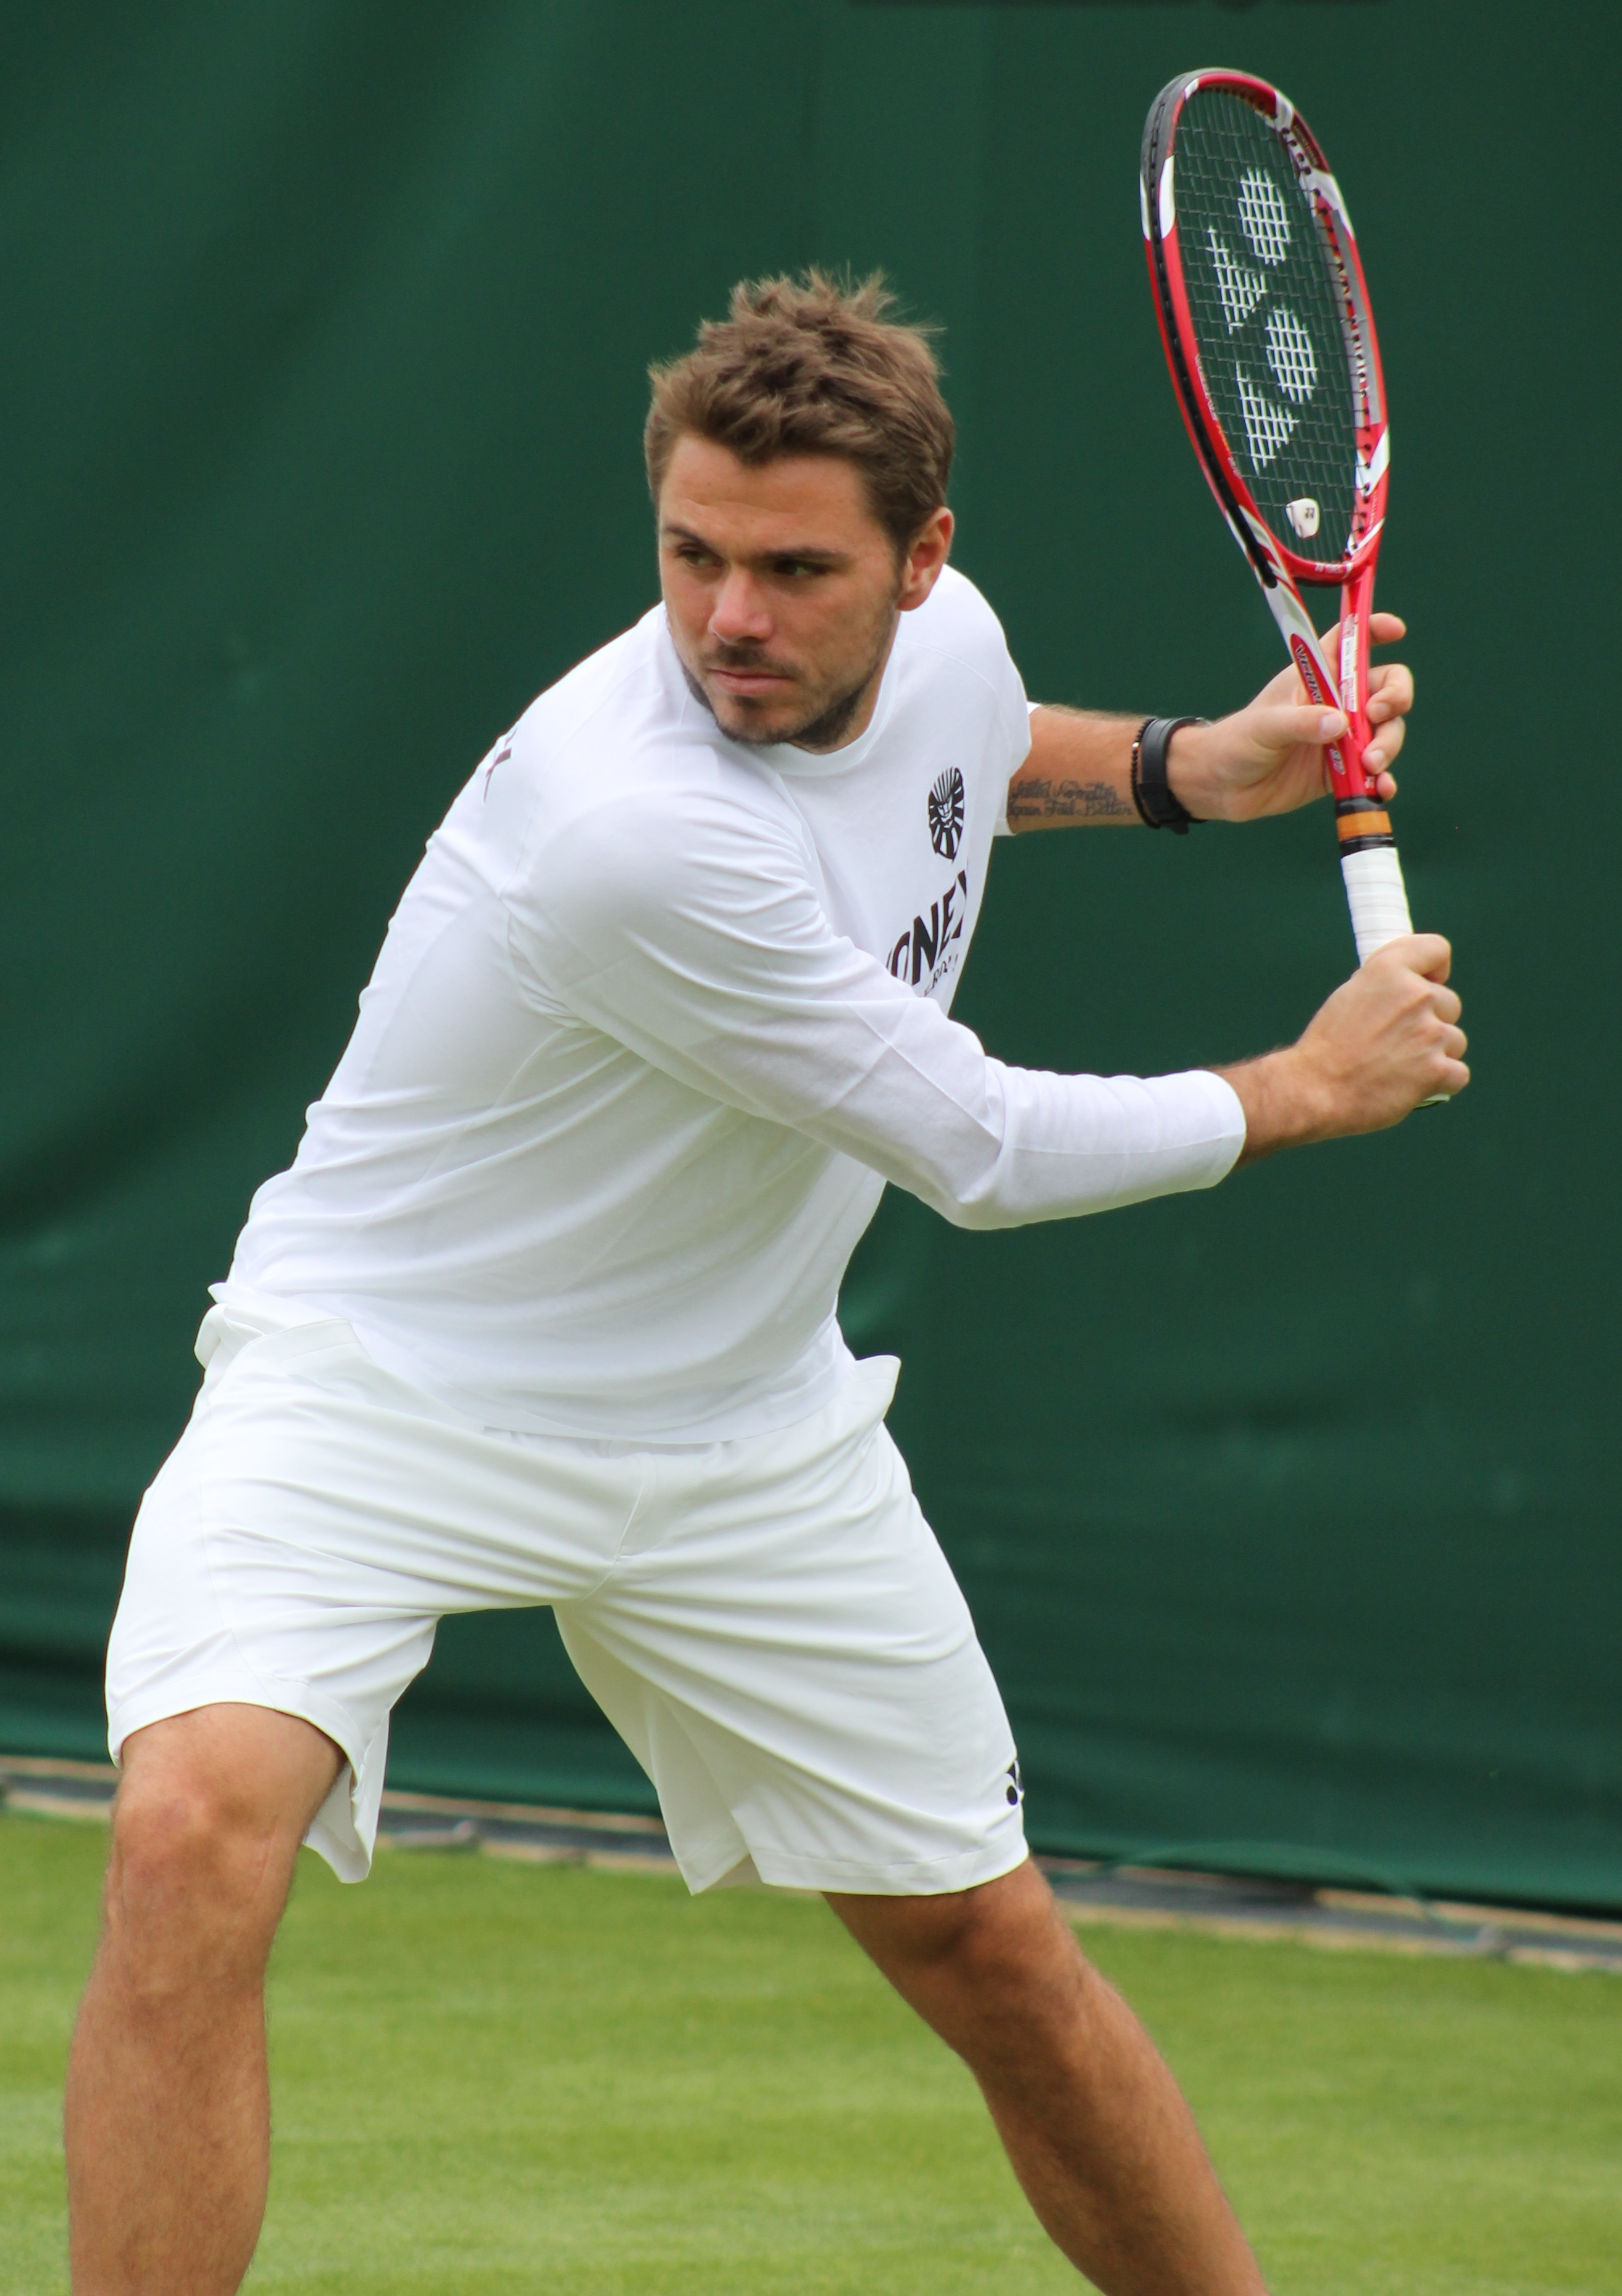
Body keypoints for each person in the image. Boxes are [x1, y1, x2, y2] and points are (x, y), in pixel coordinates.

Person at [66, 272, 1466, 2296]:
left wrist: (1192, 766)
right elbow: (973, 1147)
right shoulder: (630, 825)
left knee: (995, 1949)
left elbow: (969, 752)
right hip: (381, 1383)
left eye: (797, 570)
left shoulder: (955, 652)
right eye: (693, 556)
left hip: (738, 1425)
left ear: (923, 565)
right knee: (190, 1832)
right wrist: (1301, 1088)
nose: (730, 617)